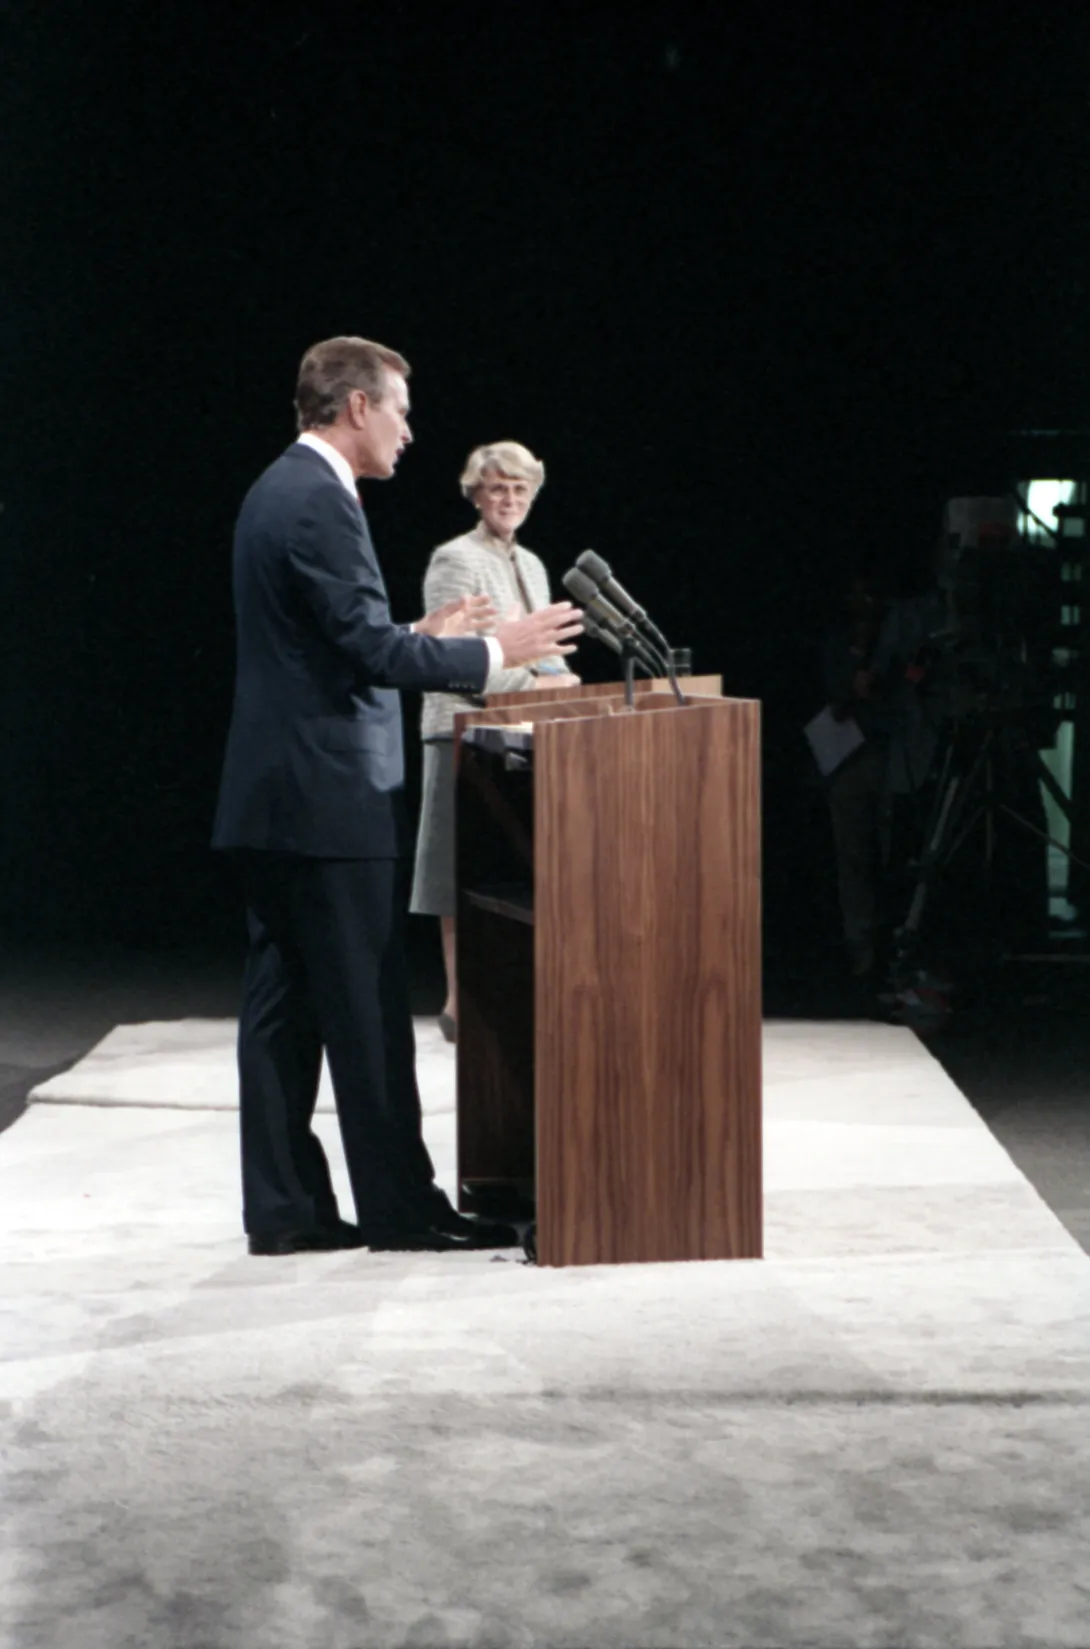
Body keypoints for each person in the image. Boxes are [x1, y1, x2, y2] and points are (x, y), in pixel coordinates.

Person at [212, 336, 582, 1255]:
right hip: (325, 797)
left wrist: (422, 629)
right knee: (368, 1011)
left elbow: (335, 643)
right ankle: (401, 1211)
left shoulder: (280, 489)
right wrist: (503, 648)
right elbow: (370, 659)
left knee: (283, 1008)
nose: (410, 431)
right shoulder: (318, 502)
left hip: (274, 797)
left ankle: (286, 1210)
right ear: (356, 408)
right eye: (402, 411)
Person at [410, 441, 578, 1040]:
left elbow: (544, 650)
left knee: (503, 870)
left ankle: (503, 995)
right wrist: (543, 683)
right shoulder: (455, 559)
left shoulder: (531, 563)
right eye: (498, 488)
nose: (509, 499)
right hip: (460, 726)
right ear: (476, 494)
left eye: (520, 490)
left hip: (521, 728)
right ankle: (458, 1003)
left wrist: (560, 680)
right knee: (455, 871)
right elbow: (455, 657)